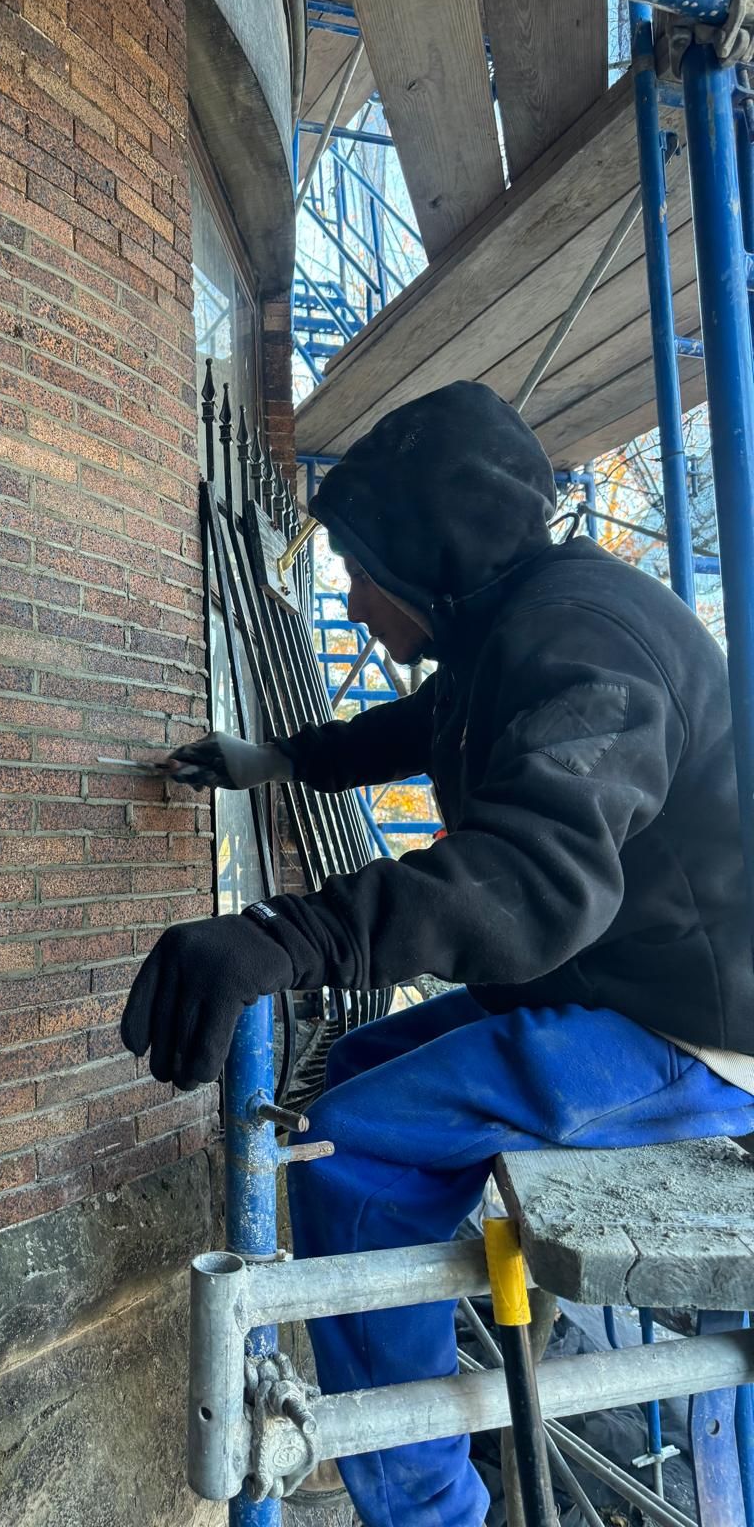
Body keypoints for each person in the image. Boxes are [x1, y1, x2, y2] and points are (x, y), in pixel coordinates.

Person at [120, 380, 754, 1527]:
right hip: (613, 988)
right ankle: (419, 1410)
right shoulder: (511, 620)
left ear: (428, 558)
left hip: (691, 1034)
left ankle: (425, 1509)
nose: (354, 603)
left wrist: (286, 933)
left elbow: (532, 877)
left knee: (351, 1154)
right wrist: (268, 761)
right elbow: (416, 727)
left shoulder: (585, 640)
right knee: (348, 1083)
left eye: (362, 571)